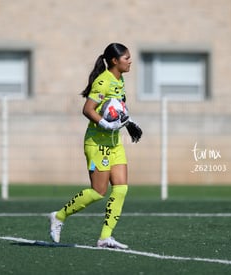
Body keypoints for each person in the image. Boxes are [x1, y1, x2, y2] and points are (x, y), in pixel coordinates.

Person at [48, 43, 142, 249]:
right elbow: (88, 109)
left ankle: (105, 238)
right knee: (99, 191)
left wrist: (130, 124)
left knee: (121, 188)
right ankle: (59, 216)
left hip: (114, 142)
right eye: (126, 58)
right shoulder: (102, 82)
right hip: (97, 143)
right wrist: (106, 124)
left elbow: (117, 108)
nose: (130, 61)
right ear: (115, 61)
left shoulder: (120, 79)